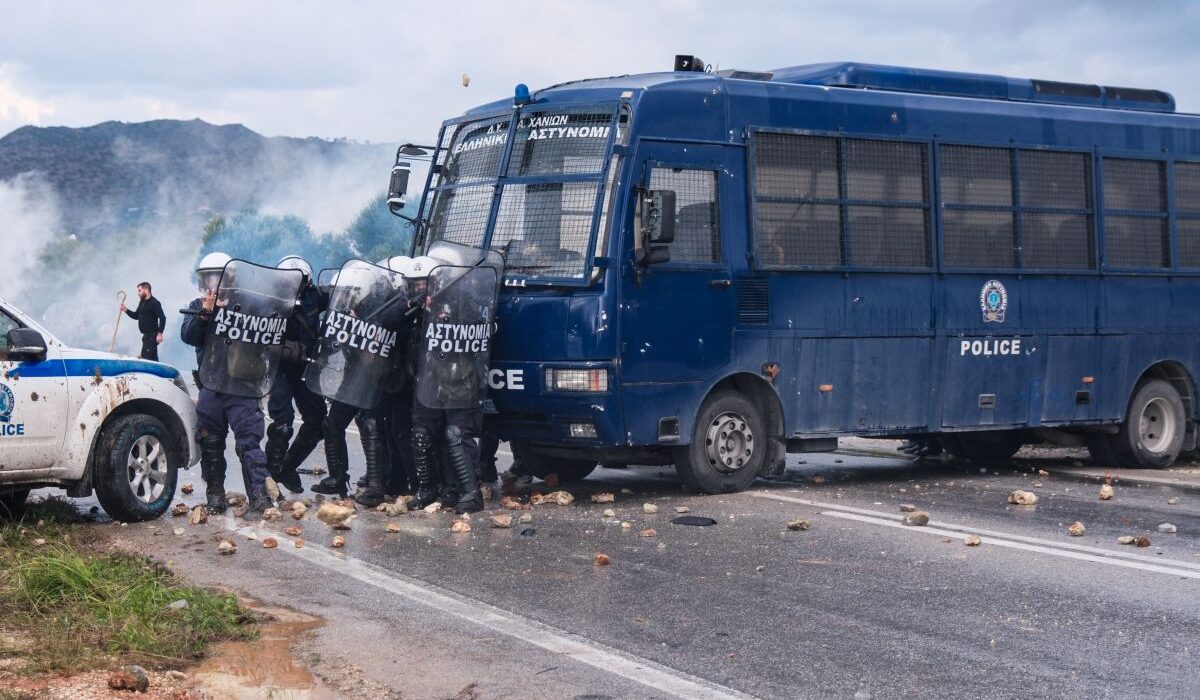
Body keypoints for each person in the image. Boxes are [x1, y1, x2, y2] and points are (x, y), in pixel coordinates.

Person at [180, 253, 279, 517]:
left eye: (218, 276)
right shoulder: (197, 304)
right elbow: (188, 336)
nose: (213, 282)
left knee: (249, 442)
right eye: (208, 277)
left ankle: (259, 496)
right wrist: (205, 314)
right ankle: (215, 495)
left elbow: (272, 325)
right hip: (211, 385)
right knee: (210, 440)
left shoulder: (249, 303)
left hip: (242, 386)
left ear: (231, 277)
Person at [410, 255, 500, 514]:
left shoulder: (462, 303)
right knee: (423, 435)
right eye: (414, 284)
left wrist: (442, 306)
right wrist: (418, 307)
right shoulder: (416, 309)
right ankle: (430, 490)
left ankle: (471, 493)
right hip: (429, 386)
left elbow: (478, 318)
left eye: (422, 283)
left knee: (457, 435)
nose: (418, 288)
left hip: (460, 385)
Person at [264, 256, 327, 494]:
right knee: (282, 424)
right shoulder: (271, 301)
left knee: (318, 421)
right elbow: (259, 333)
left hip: (308, 368)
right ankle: (268, 477)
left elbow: (340, 313)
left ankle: (287, 468)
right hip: (280, 368)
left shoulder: (318, 297)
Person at [120, 282, 166, 361]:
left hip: (152, 336)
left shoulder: (155, 303)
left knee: (145, 359)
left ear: (147, 290)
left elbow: (162, 318)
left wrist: (160, 334)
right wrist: (125, 310)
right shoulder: (142, 302)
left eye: (139, 290)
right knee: (153, 360)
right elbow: (136, 316)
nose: (138, 293)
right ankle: (158, 372)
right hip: (146, 336)